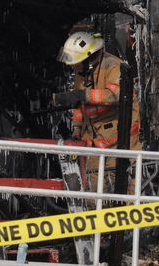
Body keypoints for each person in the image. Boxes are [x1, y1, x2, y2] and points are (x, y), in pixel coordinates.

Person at [54, 31, 141, 190]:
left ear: (88, 58)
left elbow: (116, 95)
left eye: (76, 62)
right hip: (94, 143)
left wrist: (83, 94)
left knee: (121, 190)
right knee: (93, 191)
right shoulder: (83, 72)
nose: (74, 67)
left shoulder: (113, 66)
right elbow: (80, 106)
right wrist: (76, 131)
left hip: (119, 142)